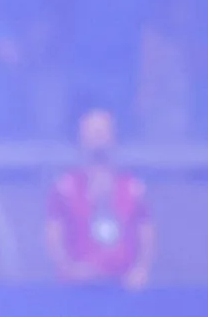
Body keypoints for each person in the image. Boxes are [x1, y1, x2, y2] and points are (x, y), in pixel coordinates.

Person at [46, 108, 154, 288]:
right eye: (92, 132)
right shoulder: (64, 188)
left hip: (123, 287)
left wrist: (141, 269)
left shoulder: (133, 187)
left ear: (113, 137)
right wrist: (68, 269)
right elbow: (54, 235)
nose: (98, 138)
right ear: (81, 138)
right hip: (77, 289)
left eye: (103, 132)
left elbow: (146, 233)